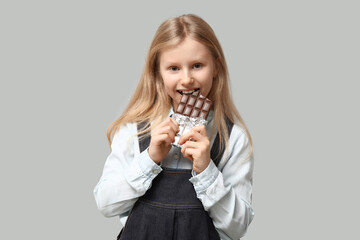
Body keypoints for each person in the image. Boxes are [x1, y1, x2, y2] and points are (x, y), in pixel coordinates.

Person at [94, 14, 254, 240]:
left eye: (197, 66)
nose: (187, 79)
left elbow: (238, 228)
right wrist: (149, 159)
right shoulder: (134, 129)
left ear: (216, 67)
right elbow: (105, 203)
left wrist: (207, 170)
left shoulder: (233, 139)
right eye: (174, 68)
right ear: (158, 72)